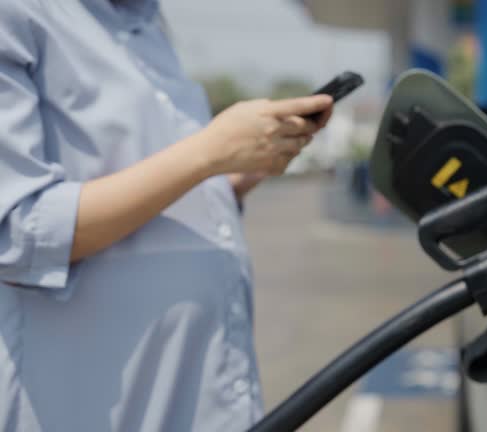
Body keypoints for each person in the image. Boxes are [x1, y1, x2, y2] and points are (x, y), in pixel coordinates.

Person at [0, 1, 334, 431]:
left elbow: (147, 184)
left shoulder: (148, 23)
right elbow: (17, 232)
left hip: (196, 398)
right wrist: (209, 152)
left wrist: (229, 177)